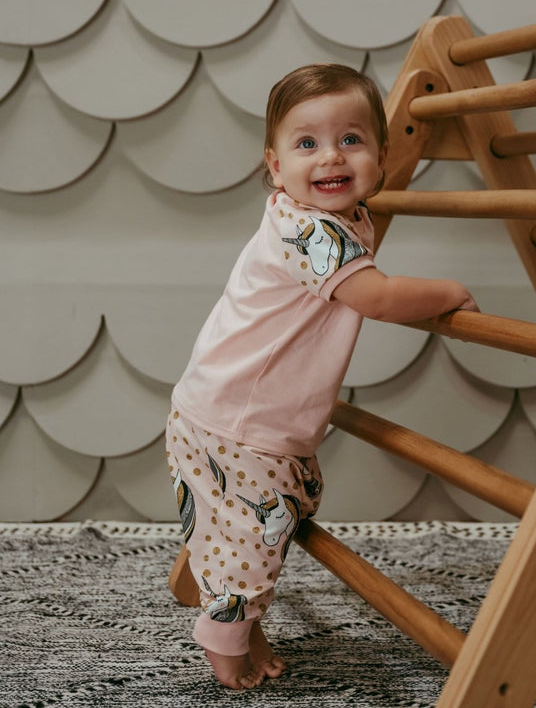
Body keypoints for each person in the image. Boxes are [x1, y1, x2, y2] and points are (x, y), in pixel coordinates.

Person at [165, 63, 478, 690]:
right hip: (241, 425)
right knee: (254, 542)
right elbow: (379, 298)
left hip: (226, 411)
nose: (330, 156)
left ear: (382, 157)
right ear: (275, 167)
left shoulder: (332, 218)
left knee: (271, 516)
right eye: (306, 143)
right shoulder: (308, 231)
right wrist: (451, 291)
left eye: (351, 140)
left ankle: (240, 620)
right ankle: (225, 647)